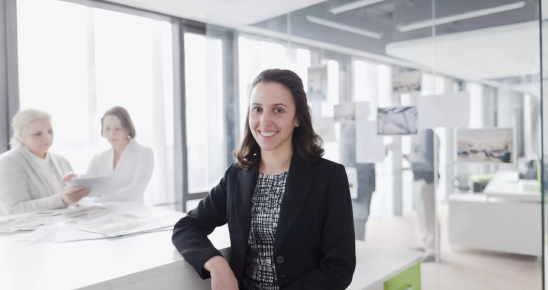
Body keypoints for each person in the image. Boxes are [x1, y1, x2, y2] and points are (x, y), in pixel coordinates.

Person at [172, 69, 356, 290]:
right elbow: (186, 227)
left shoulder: (329, 177)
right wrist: (216, 263)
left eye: (278, 110)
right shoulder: (236, 175)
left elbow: (339, 268)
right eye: (257, 109)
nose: (264, 121)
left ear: (298, 118)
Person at [0, 109, 90, 215]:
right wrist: (62, 200)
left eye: (50, 131)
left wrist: (78, 192)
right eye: (37, 134)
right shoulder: (7, 163)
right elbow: (15, 209)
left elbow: (75, 203)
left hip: (62, 227)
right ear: (21, 136)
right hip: (26, 230)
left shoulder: (61, 161)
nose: (47, 138)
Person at [85, 107, 153, 203]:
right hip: (103, 213)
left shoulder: (144, 153)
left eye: (118, 128)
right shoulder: (99, 157)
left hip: (133, 213)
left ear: (128, 129)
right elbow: (87, 184)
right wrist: (75, 180)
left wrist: (102, 199)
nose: (112, 134)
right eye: (107, 128)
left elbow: (136, 190)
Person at [409, 129, 440, 262]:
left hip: (427, 178)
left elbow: (427, 157)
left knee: (429, 214)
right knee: (422, 213)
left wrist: (412, 158)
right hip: (420, 177)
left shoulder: (428, 133)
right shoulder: (421, 133)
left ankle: (432, 250)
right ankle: (425, 244)